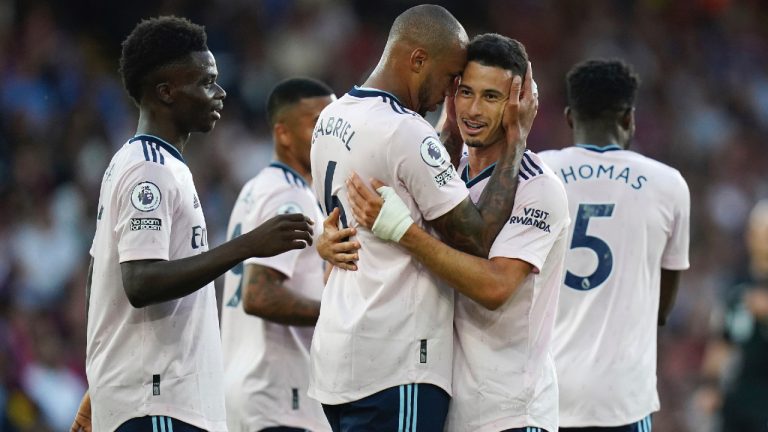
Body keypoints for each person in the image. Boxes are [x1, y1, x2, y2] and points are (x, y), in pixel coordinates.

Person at [70, 16, 314, 432]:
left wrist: (99, 381)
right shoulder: (149, 169)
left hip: (156, 396)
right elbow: (139, 282)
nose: (219, 93)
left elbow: (101, 274)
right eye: (205, 82)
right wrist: (248, 245)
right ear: (166, 92)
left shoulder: (152, 163)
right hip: (158, 401)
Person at [308, 5, 537, 431]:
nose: (453, 92)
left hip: (338, 357)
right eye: (453, 78)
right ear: (417, 61)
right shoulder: (404, 130)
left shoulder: (331, 117)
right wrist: (517, 138)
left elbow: (401, 186)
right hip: (397, 364)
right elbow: (478, 237)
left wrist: (447, 127)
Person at [538, 59, 691, 431]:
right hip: (623, 397)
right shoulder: (668, 184)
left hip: (546, 394)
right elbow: (663, 306)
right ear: (628, 119)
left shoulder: (537, 173)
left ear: (570, 117)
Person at [220, 77, 335, 432]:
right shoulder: (291, 196)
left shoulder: (256, 188)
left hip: (248, 390)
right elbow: (259, 294)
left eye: (332, 123)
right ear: (283, 133)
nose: (327, 134)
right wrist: (337, 315)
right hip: (281, 397)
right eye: (317, 124)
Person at [697, 200, 768, 432]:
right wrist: (710, 385)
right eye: (761, 231)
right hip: (739, 394)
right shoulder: (737, 286)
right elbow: (722, 341)